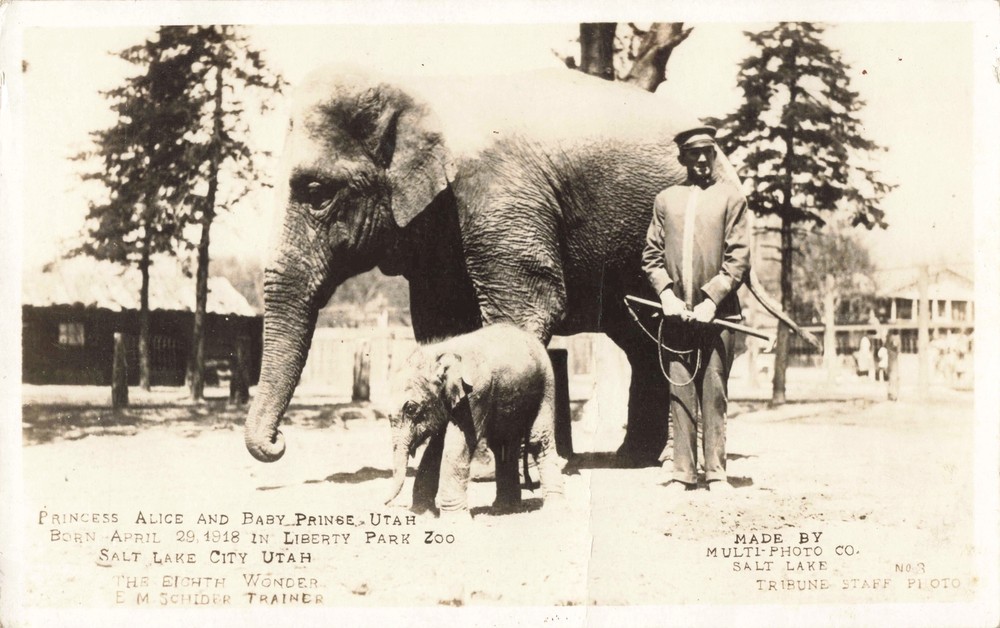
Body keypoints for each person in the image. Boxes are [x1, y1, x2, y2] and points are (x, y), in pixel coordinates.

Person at [641, 125, 750, 494]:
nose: (702, 159)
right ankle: (682, 473)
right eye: (694, 153)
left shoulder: (731, 198)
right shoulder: (666, 200)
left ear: (714, 154)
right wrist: (667, 296)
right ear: (682, 158)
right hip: (675, 318)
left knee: (713, 392)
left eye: (708, 152)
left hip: (718, 316)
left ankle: (716, 473)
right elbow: (651, 257)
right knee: (679, 392)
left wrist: (711, 299)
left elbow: (738, 258)